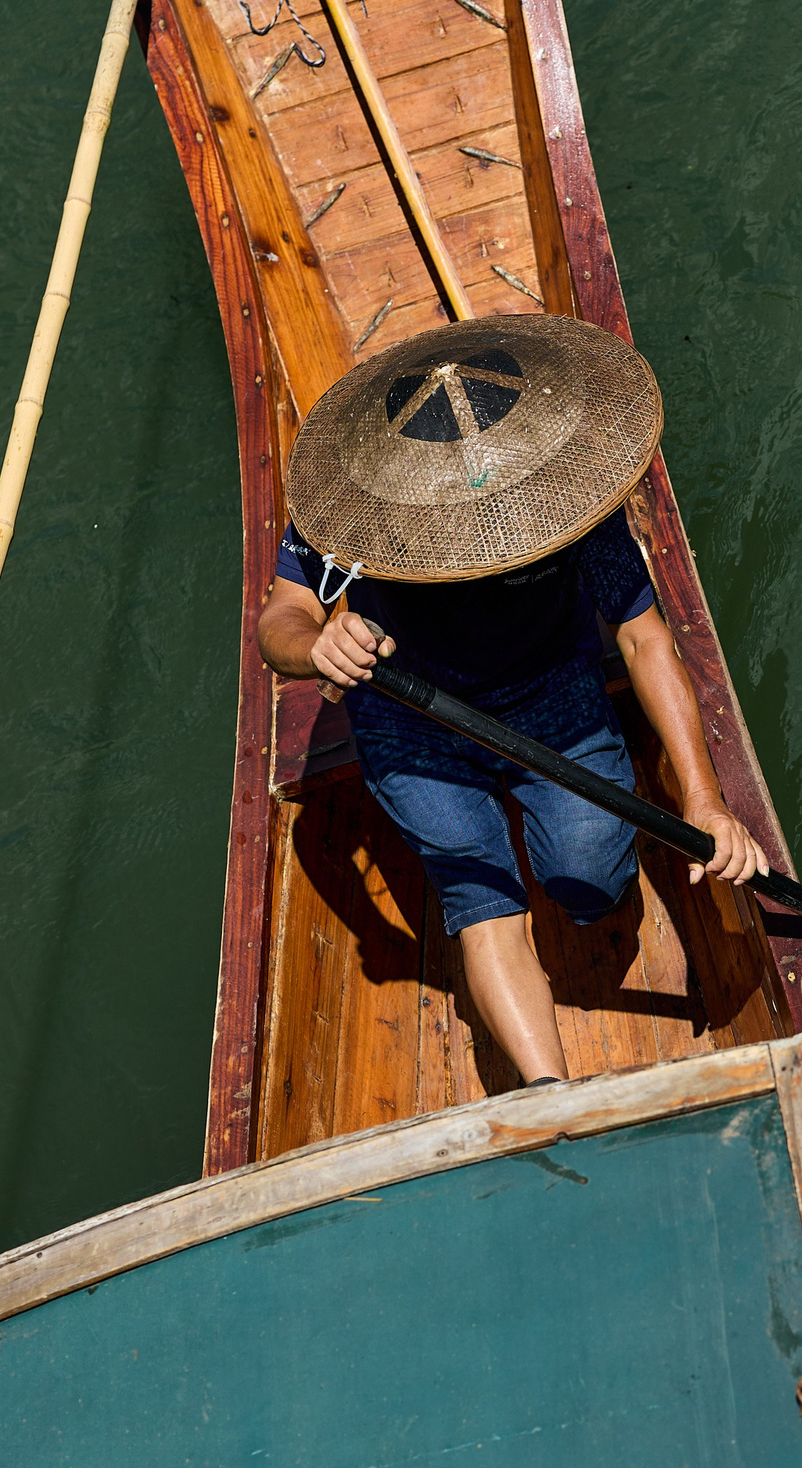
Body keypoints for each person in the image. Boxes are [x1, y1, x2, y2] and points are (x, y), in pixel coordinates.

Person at [257, 314, 767, 1085]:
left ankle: (585, 892)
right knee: (481, 895)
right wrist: (315, 646)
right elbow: (280, 619)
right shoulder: (359, 502)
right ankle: (549, 1094)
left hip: (549, 692)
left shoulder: (562, 503)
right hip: (413, 712)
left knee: (589, 882)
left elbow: (644, 639)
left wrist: (704, 798)